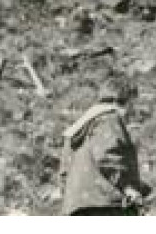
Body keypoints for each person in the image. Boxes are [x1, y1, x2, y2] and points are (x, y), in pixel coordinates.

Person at [61, 81, 146, 215]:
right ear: (126, 100)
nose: (134, 110)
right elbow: (107, 157)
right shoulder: (109, 119)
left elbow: (64, 171)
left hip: (77, 205)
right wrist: (128, 187)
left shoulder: (78, 127)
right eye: (134, 103)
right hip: (106, 203)